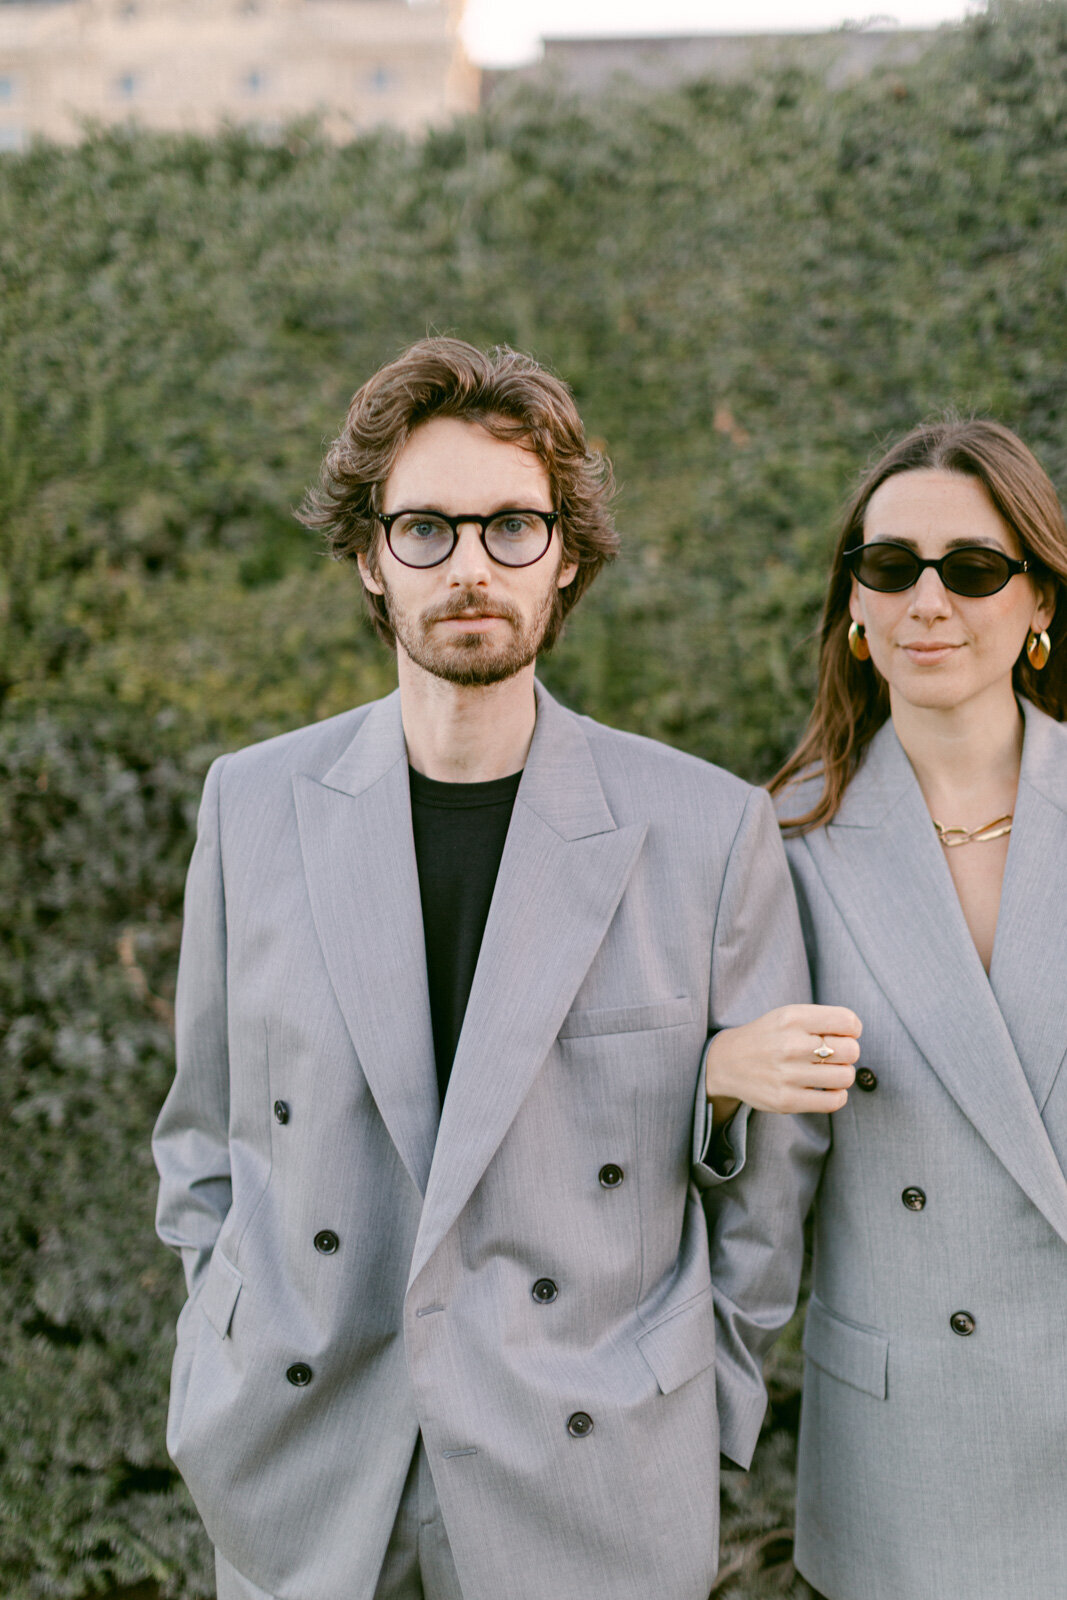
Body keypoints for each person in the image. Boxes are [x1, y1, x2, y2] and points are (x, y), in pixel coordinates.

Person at [153, 337, 831, 1600]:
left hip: (588, 1480)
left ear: (564, 553)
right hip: (304, 1474)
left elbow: (771, 1179)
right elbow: (202, 1134)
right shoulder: (250, 804)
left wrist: (696, 1406)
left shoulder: (703, 830)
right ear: (370, 555)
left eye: (511, 526)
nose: (469, 566)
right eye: (425, 529)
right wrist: (224, 1349)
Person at [708, 417, 1067, 1600]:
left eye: (971, 567)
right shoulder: (780, 841)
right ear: (852, 608)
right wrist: (714, 1076)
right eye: (889, 565)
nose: (927, 600)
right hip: (905, 1451)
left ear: (1037, 601)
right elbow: (760, 1192)